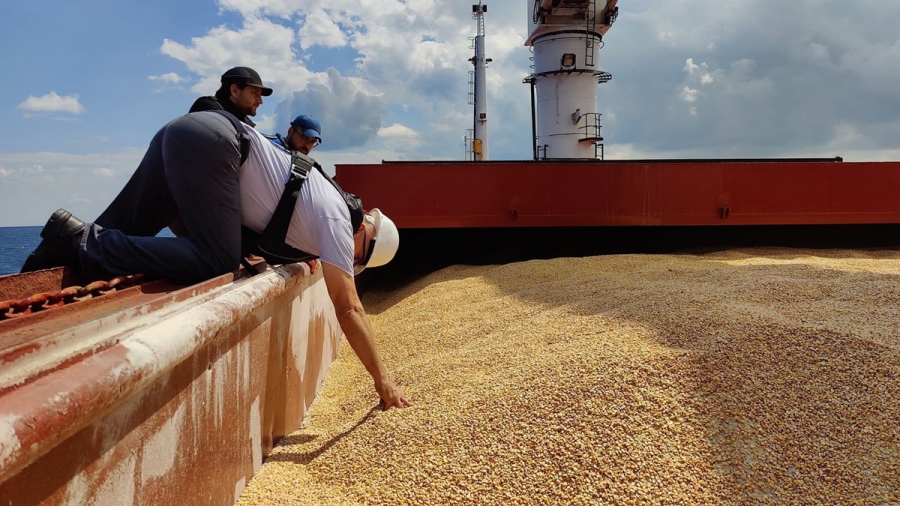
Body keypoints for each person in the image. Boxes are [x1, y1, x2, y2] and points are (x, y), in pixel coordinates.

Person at [20, 109, 410, 409]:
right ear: (365, 238)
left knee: (129, 225)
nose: (349, 262)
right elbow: (350, 309)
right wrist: (383, 381)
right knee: (216, 260)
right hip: (217, 145)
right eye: (357, 260)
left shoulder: (324, 200)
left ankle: (57, 251)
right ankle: (79, 237)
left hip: (189, 131)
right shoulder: (340, 222)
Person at [189, 66, 272, 127]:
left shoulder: (243, 122)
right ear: (235, 90)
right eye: (255, 93)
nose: (260, 101)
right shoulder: (207, 108)